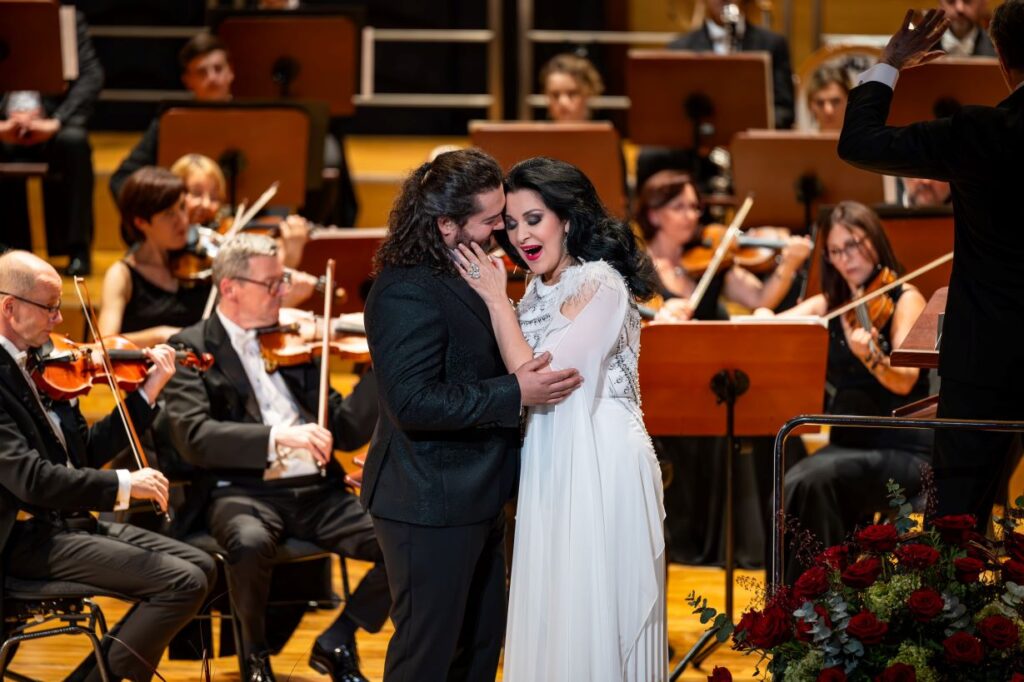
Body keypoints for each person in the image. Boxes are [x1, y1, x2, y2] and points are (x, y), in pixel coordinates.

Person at [362, 148, 582, 681]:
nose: (499, 233)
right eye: (489, 222)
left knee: (480, 652)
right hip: (428, 500)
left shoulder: (468, 271)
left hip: (476, 495)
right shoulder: (404, 291)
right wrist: (516, 392)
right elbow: (413, 404)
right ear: (446, 225)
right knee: (427, 658)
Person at [452, 157, 666, 680]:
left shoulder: (600, 282)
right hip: (551, 457)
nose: (520, 234)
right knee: (556, 601)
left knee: (595, 604)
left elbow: (546, 378)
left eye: (534, 218)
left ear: (567, 219)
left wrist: (496, 304)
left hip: (601, 460)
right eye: (511, 222)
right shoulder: (534, 288)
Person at [162, 233, 389, 682]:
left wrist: (384, 365)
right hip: (242, 491)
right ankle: (254, 658)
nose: (284, 293)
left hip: (318, 491)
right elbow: (194, 437)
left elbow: (341, 429)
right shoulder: (191, 346)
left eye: (283, 281)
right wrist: (280, 437)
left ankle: (339, 637)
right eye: (273, 284)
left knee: (404, 539)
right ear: (230, 288)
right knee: (247, 542)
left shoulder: (292, 340)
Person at [838, 4, 1024, 525]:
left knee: (958, 525)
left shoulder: (981, 132)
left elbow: (859, 142)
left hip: (985, 357)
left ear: (1003, 59)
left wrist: (890, 62)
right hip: (986, 356)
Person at [0, 250, 216, 681]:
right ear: (9, 307)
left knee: (205, 567)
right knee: (182, 583)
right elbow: (32, 480)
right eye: (50, 307)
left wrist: (146, 393)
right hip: (24, 538)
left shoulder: (42, 365)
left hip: (66, 524)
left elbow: (84, 452)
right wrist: (123, 484)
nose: (59, 320)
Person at [755, 201, 932, 583]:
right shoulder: (833, 304)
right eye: (836, 251)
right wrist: (763, 319)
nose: (846, 257)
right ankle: (794, 607)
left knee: (811, 481)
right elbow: (769, 328)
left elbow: (904, 379)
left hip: (901, 448)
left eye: (854, 244)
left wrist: (868, 355)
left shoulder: (905, 298)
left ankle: (824, 599)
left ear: (874, 240)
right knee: (786, 489)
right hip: (848, 443)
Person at [109, 34, 357, 227]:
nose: (213, 78)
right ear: (187, 81)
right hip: (191, 230)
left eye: (218, 69)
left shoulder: (259, 120)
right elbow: (121, 179)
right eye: (202, 72)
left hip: (253, 219)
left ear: (231, 72)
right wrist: (150, 219)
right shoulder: (170, 122)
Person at [99, 166, 316, 347]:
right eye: (169, 214)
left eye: (182, 208)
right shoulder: (122, 275)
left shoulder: (205, 262)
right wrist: (160, 336)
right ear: (141, 222)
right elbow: (103, 345)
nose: (183, 220)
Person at [0, 10, 102, 276]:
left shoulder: (65, 20)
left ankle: (77, 250)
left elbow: (91, 75)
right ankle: (7, 252)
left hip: (51, 125)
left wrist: (56, 121)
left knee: (75, 142)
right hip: (2, 126)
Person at [636, 170, 812, 321]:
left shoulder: (713, 258)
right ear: (653, 215)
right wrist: (660, 311)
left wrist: (788, 265)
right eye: (679, 207)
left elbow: (759, 299)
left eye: (694, 207)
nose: (690, 215)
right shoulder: (637, 265)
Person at [669, 0, 796, 129]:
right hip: (700, 143)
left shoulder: (773, 45)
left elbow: (784, 110)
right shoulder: (680, 48)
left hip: (752, 144)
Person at [539, 53, 604, 122]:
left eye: (572, 94)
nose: (563, 102)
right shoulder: (535, 132)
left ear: (589, 93)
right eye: (555, 95)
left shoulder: (607, 132)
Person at [805, 64, 852, 132]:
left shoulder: (866, 141)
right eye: (820, 103)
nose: (828, 111)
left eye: (835, 101)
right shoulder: (799, 142)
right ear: (810, 106)